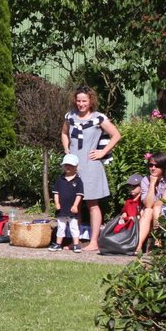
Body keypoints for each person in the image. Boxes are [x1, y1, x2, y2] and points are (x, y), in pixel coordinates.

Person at [61, 86, 120, 251]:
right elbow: (64, 133)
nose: (81, 104)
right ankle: (76, 240)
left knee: (92, 204)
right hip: (73, 167)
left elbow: (116, 135)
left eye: (84, 101)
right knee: (75, 204)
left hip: (91, 166)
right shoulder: (70, 117)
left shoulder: (98, 118)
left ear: (90, 101)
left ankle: (94, 242)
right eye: (78, 101)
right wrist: (67, 150)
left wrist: (102, 152)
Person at [135, 152, 166, 255]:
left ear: (164, 166)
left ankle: (158, 240)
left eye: (157, 166)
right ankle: (138, 246)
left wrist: (156, 204)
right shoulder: (146, 180)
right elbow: (148, 204)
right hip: (150, 211)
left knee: (155, 208)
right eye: (150, 165)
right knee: (148, 210)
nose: (153, 168)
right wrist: (152, 184)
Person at [49, 153, 84, 253]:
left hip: (72, 209)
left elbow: (79, 195)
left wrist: (75, 205)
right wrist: (56, 203)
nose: (68, 167)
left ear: (76, 167)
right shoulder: (60, 180)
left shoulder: (78, 181)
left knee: (74, 227)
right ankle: (58, 244)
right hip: (61, 209)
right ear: (63, 166)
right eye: (66, 165)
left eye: (71, 165)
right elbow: (56, 193)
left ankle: (76, 244)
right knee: (61, 226)